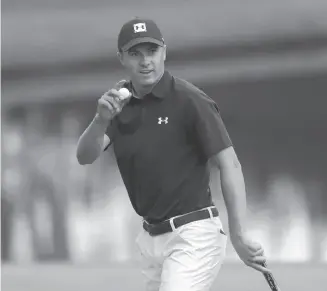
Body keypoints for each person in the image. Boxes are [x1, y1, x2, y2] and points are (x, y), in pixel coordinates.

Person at [76, 17, 269, 291]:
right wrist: (100, 120)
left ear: (164, 51)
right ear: (121, 58)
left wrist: (239, 236)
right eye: (135, 54)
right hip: (150, 239)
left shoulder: (190, 100)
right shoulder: (119, 104)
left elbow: (230, 165)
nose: (145, 61)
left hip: (194, 234)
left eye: (152, 52)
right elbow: (85, 156)